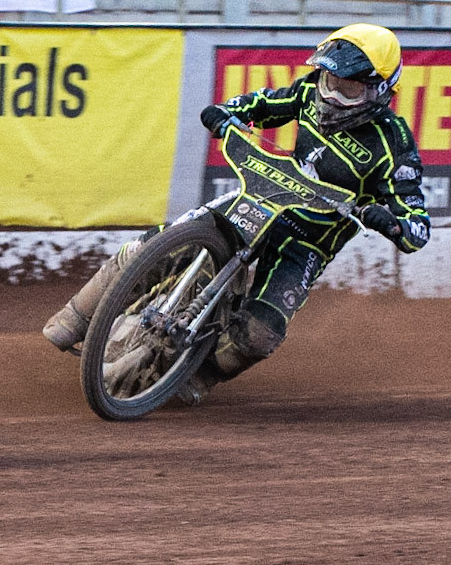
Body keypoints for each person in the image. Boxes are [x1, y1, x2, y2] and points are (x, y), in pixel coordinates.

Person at [43, 23, 430, 403]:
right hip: (262, 199)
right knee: (153, 245)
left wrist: (392, 222)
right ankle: (75, 317)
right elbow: (262, 104)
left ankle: (199, 375)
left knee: (260, 334)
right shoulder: (310, 92)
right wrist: (226, 112)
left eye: (347, 89)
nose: (331, 96)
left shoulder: (393, 146)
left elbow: (418, 229)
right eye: (329, 81)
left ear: (379, 90)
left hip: (307, 239)